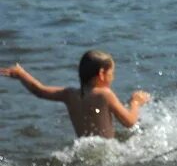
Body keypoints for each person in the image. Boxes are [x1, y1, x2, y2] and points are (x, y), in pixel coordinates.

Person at [0, 50, 151, 138]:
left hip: (83, 149)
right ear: (102, 74)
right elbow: (129, 122)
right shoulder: (105, 94)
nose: (114, 77)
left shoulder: (69, 94)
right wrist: (135, 102)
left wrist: (21, 74)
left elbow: (40, 90)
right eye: (112, 73)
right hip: (107, 151)